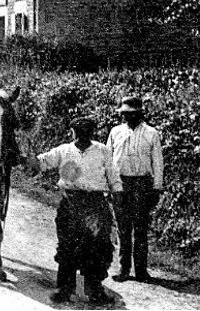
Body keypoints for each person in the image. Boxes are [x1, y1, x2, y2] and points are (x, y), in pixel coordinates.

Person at [25, 117, 122, 305]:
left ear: (91, 133)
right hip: (70, 203)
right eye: (80, 132)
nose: (82, 136)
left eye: (86, 132)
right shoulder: (64, 151)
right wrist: (28, 159)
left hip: (95, 205)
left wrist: (118, 195)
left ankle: (93, 289)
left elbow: (113, 176)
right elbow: (42, 163)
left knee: (98, 247)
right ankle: (64, 289)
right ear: (74, 133)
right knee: (68, 245)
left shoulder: (102, 151)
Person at [106, 96, 164, 283]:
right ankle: (124, 269)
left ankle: (141, 271)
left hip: (142, 184)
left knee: (140, 228)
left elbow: (158, 163)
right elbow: (107, 161)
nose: (128, 117)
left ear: (140, 113)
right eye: (125, 113)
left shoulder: (151, 133)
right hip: (120, 183)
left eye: (132, 113)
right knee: (123, 228)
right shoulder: (115, 132)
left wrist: (156, 187)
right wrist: (107, 186)